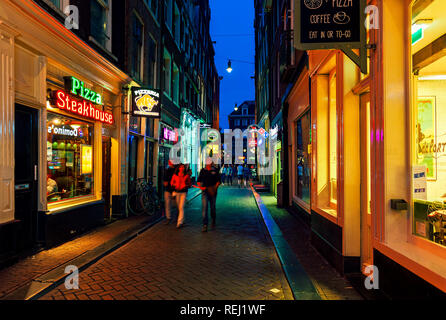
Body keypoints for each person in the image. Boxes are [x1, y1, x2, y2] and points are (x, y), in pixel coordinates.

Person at [197, 159, 221, 232]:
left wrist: (214, 188)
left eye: (209, 162)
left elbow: (218, 181)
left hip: (213, 191)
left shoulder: (215, 170)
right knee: (204, 208)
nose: (208, 163)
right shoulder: (203, 170)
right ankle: (205, 225)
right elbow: (199, 181)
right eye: (207, 161)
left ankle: (213, 218)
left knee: (212, 207)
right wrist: (201, 187)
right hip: (205, 191)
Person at [170, 164, 192, 229]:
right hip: (177, 192)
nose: (182, 168)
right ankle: (183, 219)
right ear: (179, 168)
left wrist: (186, 185)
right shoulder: (175, 175)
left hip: (183, 192)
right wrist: (175, 184)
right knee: (179, 207)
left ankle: (179, 222)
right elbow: (171, 183)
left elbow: (190, 184)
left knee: (181, 207)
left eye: (183, 167)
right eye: (181, 167)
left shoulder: (186, 176)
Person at [163, 160, 177, 225]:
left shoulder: (175, 170)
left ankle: (171, 218)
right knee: (168, 204)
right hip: (169, 189)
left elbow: (165, 182)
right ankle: (169, 218)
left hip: (174, 190)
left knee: (171, 204)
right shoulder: (167, 170)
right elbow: (165, 181)